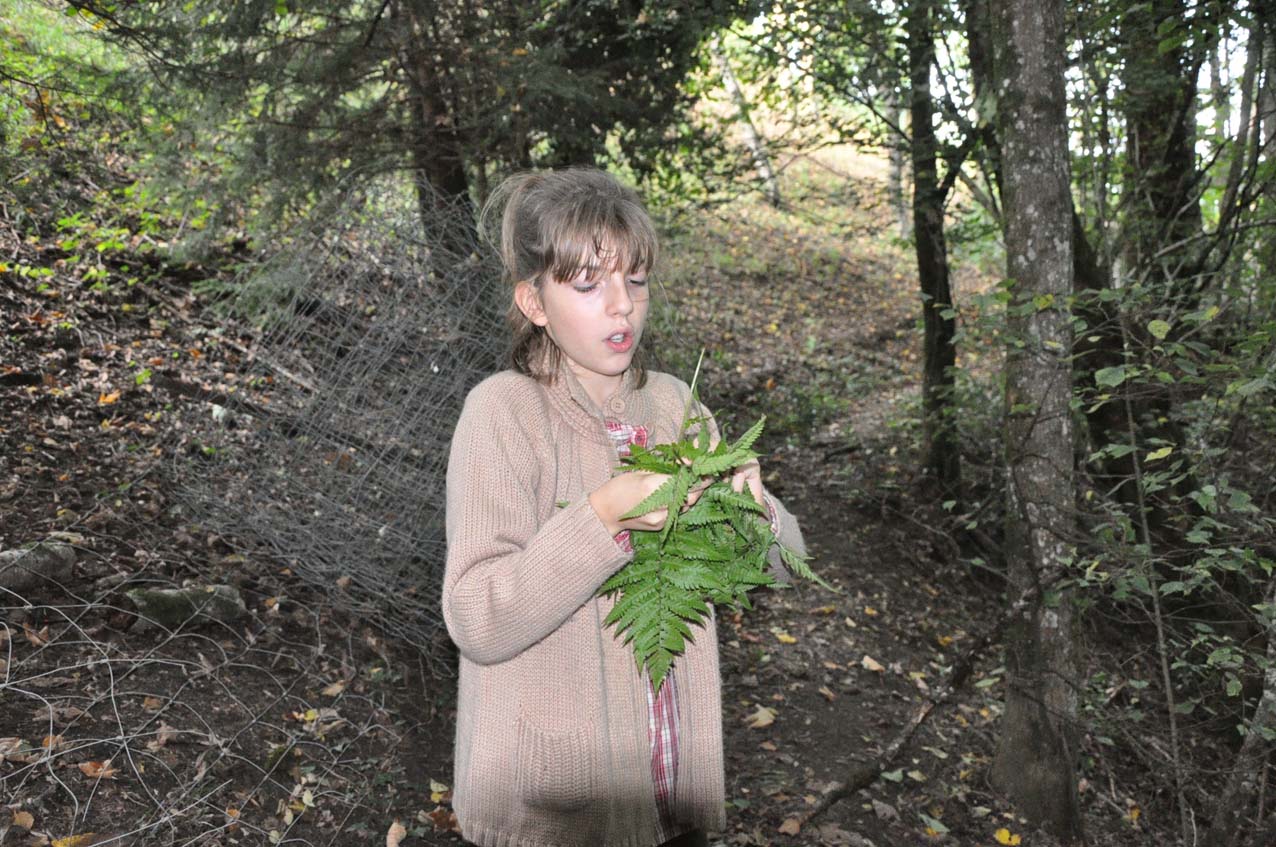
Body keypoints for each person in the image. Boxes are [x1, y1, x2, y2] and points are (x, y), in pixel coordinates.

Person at [443, 167, 808, 847]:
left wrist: (752, 513)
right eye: (588, 285)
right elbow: (476, 617)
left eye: (635, 280)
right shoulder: (502, 414)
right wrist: (602, 520)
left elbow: (785, 564)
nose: (622, 306)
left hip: (671, 795)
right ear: (533, 301)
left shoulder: (674, 404)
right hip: (558, 807)